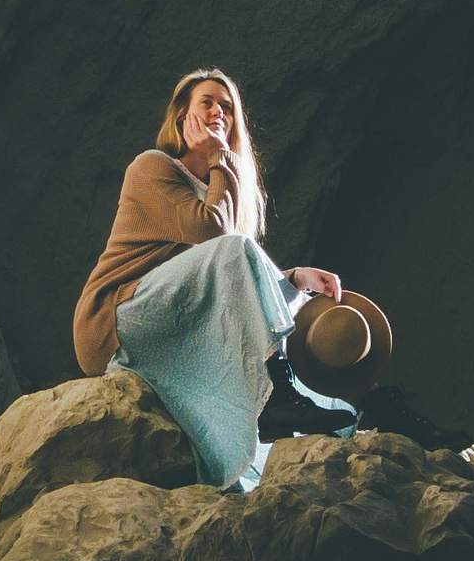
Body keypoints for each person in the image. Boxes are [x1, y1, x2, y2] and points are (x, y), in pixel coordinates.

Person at [72, 67, 394, 489]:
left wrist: (293, 279)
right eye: (207, 102)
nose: (218, 111)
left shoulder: (219, 191)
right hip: (113, 319)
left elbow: (215, 279)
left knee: (235, 413)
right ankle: (279, 392)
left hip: (164, 319)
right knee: (234, 249)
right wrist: (220, 158)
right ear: (181, 116)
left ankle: (279, 402)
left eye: (227, 107)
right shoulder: (151, 167)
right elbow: (214, 236)